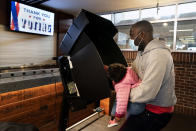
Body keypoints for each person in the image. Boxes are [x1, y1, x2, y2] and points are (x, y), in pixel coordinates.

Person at [119, 20, 177, 131]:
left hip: (157, 111)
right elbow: (135, 70)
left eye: (132, 35)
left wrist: (123, 92)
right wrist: (118, 72)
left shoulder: (158, 55)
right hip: (146, 105)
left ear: (142, 34)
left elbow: (147, 92)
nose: (131, 39)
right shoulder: (142, 52)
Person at [105, 63, 145, 127]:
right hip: (140, 100)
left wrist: (118, 117)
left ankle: (120, 121)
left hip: (137, 106)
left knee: (119, 102)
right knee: (117, 101)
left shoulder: (122, 85)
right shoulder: (128, 70)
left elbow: (122, 102)